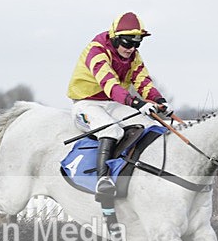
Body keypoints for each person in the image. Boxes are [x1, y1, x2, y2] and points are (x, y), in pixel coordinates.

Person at [67, 11, 175, 209]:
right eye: (127, 43)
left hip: (113, 103)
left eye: (137, 43)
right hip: (86, 103)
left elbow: (142, 80)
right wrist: (136, 103)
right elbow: (109, 84)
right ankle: (103, 181)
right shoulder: (97, 50)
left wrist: (159, 100)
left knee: (149, 125)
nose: (132, 48)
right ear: (116, 39)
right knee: (111, 131)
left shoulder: (133, 55)